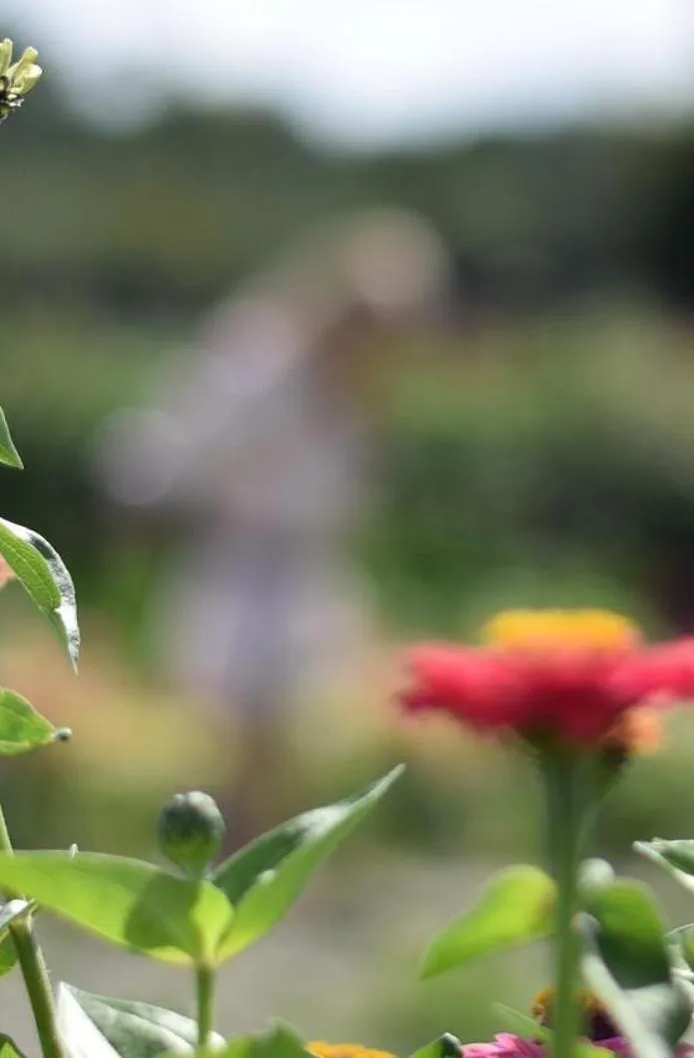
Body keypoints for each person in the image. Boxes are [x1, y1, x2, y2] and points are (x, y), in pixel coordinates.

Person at [97, 208, 450, 830]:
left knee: (281, 720)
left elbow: (348, 482)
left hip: (306, 560)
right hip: (243, 553)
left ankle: (257, 846)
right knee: (237, 713)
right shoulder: (260, 355)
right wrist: (150, 496)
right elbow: (190, 433)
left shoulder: (362, 382)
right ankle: (226, 843)